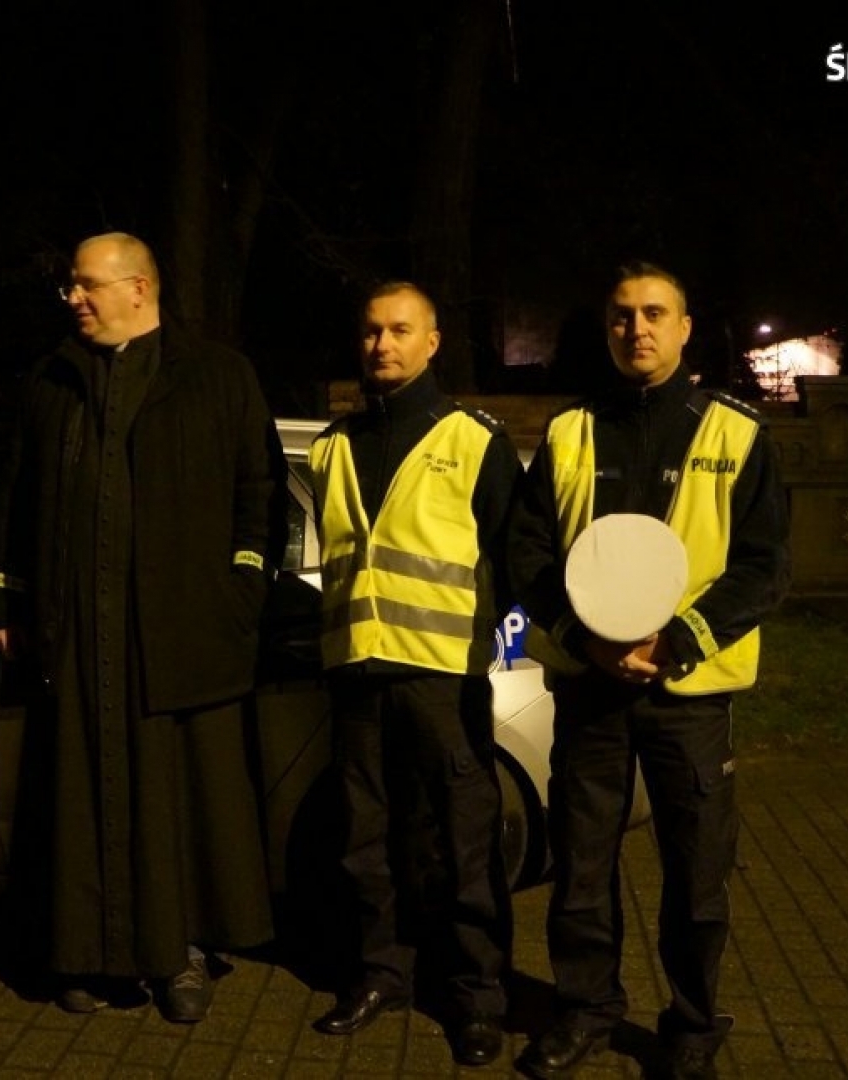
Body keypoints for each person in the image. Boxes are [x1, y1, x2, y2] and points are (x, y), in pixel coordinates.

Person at [0, 231, 286, 1023]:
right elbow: (16, 502)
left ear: (139, 289)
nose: (73, 299)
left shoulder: (217, 375)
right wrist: (8, 604)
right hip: (78, 639)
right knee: (79, 796)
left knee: (177, 798)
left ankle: (181, 954)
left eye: (87, 285)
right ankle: (84, 955)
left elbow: (260, 493)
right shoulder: (53, 382)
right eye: (71, 287)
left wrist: (241, 592)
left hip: (181, 638)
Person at [509, 261, 790, 1080]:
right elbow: (527, 551)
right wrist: (582, 637)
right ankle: (586, 1009)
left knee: (698, 876)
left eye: (655, 313)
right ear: (608, 329)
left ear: (685, 327)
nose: (638, 329)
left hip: (689, 696)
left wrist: (678, 641)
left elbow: (765, 566)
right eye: (623, 316)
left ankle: (694, 1024)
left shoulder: (737, 433)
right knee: (580, 870)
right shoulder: (568, 432)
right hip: (589, 691)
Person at [308, 282, 520, 1067]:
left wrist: (492, 645)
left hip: (443, 677)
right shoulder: (331, 446)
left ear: (432, 342)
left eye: (400, 331)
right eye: (370, 331)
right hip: (356, 674)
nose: (381, 345)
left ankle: (476, 998)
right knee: (365, 838)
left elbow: (512, 556)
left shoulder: (472, 439)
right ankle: (381, 974)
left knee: (465, 841)